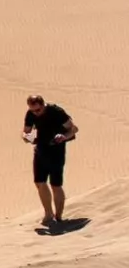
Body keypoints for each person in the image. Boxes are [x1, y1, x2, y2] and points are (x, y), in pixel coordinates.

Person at [23, 95, 78, 226]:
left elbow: (74, 129)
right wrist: (26, 137)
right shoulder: (31, 114)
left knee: (55, 184)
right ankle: (48, 215)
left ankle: (58, 217)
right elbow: (25, 131)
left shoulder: (56, 112)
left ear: (43, 105)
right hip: (40, 150)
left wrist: (63, 136)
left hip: (56, 151)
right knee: (39, 182)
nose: (35, 113)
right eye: (33, 110)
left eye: (38, 110)